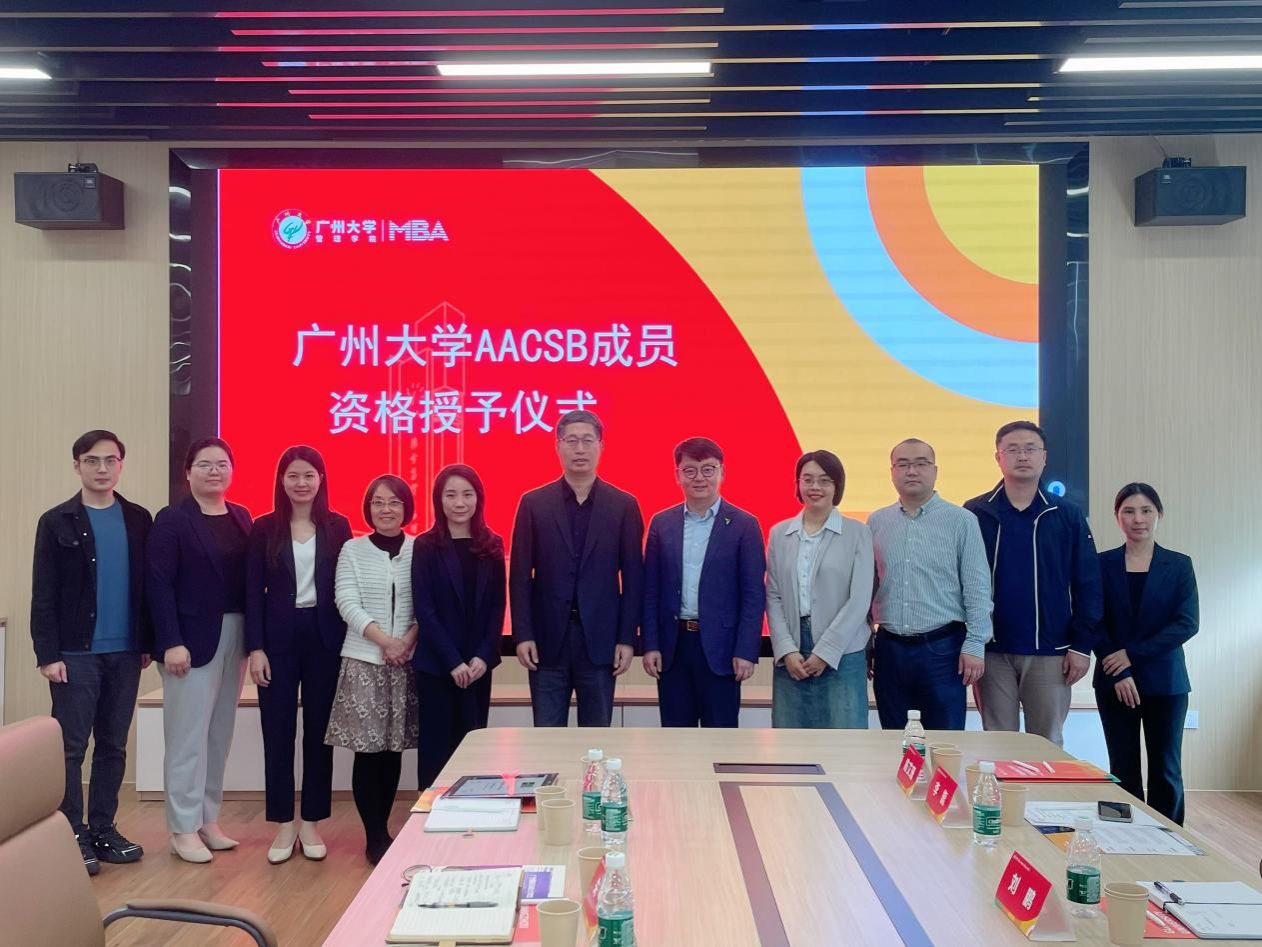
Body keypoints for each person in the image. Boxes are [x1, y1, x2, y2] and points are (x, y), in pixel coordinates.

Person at [30, 429, 153, 875]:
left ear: (121, 465)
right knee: (71, 747)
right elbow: (43, 593)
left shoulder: (139, 519)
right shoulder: (56, 521)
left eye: (110, 460)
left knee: (113, 745)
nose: (102, 469)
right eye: (92, 460)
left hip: (126, 651)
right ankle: (71, 833)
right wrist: (48, 654)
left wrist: (147, 642)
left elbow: (148, 587)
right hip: (75, 653)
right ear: (77, 466)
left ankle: (103, 829)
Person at [147, 436, 253, 863]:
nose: (214, 471)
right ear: (188, 472)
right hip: (189, 643)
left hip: (236, 635)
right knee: (187, 738)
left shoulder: (241, 516)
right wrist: (170, 641)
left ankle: (208, 818)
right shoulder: (173, 519)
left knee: (218, 734)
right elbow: (158, 583)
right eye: (205, 464)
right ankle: (182, 827)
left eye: (222, 464)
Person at [964, 420, 1102, 747]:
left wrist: (1081, 646)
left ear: (1044, 457)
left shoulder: (1066, 515)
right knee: (999, 743)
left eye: (1030, 449)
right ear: (998, 458)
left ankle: (1044, 786)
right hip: (992, 651)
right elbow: (960, 582)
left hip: (1051, 652)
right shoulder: (975, 512)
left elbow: (1088, 583)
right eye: (1012, 449)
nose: (1022, 456)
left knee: (1047, 744)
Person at [245, 446, 352, 864]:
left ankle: (310, 821)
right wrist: (256, 647)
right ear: (281, 481)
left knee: (319, 733)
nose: (301, 483)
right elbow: (252, 591)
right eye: (293, 475)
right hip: (277, 641)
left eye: (309, 475)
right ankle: (283, 823)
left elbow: (347, 585)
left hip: (325, 639)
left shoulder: (338, 526)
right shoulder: (264, 527)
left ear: (321, 479)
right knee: (278, 731)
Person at [510, 410, 644, 727]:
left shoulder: (623, 505)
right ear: (558, 446)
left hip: (600, 642)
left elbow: (634, 580)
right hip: (547, 642)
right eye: (571, 441)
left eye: (587, 440)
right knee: (546, 735)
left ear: (601, 446)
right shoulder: (533, 503)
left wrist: (627, 638)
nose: (579, 449)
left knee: (596, 738)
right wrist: (523, 634)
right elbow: (519, 577)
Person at [869, 438, 993, 731]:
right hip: (889, 648)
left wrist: (975, 643)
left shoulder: (961, 521)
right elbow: (868, 585)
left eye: (921, 464)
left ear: (935, 471)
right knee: (894, 739)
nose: (912, 471)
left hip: (942, 649)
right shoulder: (877, 522)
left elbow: (977, 586)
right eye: (903, 464)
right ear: (892, 472)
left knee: (944, 739)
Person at [642, 437, 766, 727]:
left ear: (722, 472)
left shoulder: (744, 525)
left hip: (723, 651)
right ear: (678, 475)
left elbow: (753, 594)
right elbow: (650, 591)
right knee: (675, 737)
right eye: (690, 470)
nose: (699, 478)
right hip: (673, 648)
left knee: (721, 739)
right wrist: (650, 645)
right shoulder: (662, 523)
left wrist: (746, 650)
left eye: (708, 469)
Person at [327, 475, 418, 865]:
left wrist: (407, 641)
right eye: (378, 502)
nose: (386, 509)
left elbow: (427, 602)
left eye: (394, 502)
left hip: (406, 662)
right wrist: (385, 642)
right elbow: (346, 601)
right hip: (365, 660)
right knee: (368, 752)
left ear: (406, 508)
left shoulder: (419, 548)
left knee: (393, 750)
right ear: (368, 508)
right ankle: (374, 834)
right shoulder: (352, 549)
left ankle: (387, 830)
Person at [1095, 483, 1198, 825]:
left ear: (1159, 515)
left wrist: (1131, 655)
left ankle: (1170, 839)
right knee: (1121, 767)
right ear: (1117, 517)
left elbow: (1187, 623)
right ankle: (1123, 837)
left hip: (1166, 682)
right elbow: (1092, 620)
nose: (1138, 519)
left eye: (1146, 511)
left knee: (1166, 769)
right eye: (1128, 511)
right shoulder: (1101, 564)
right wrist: (1120, 670)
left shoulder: (1179, 565)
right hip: (1114, 681)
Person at [411, 464, 506, 792]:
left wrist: (483, 656)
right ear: (439, 500)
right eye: (450, 495)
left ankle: (472, 808)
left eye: (467, 494)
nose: (460, 502)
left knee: (473, 745)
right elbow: (425, 609)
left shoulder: (492, 545)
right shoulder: (425, 546)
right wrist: (453, 661)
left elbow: (497, 606)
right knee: (436, 748)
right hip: (438, 666)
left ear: (479, 498)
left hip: (477, 667)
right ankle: (431, 810)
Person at [765, 450, 873, 729]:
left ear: (837, 486)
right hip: (792, 654)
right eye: (808, 479)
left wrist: (826, 651)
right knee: (791, 743)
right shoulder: (779, 534)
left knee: (844, 741)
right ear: (797, 484)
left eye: (825, 480)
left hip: (843, 652)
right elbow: (773, 596)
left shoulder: (858, 533)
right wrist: (786, 649)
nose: (815, 487)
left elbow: (860, 599)